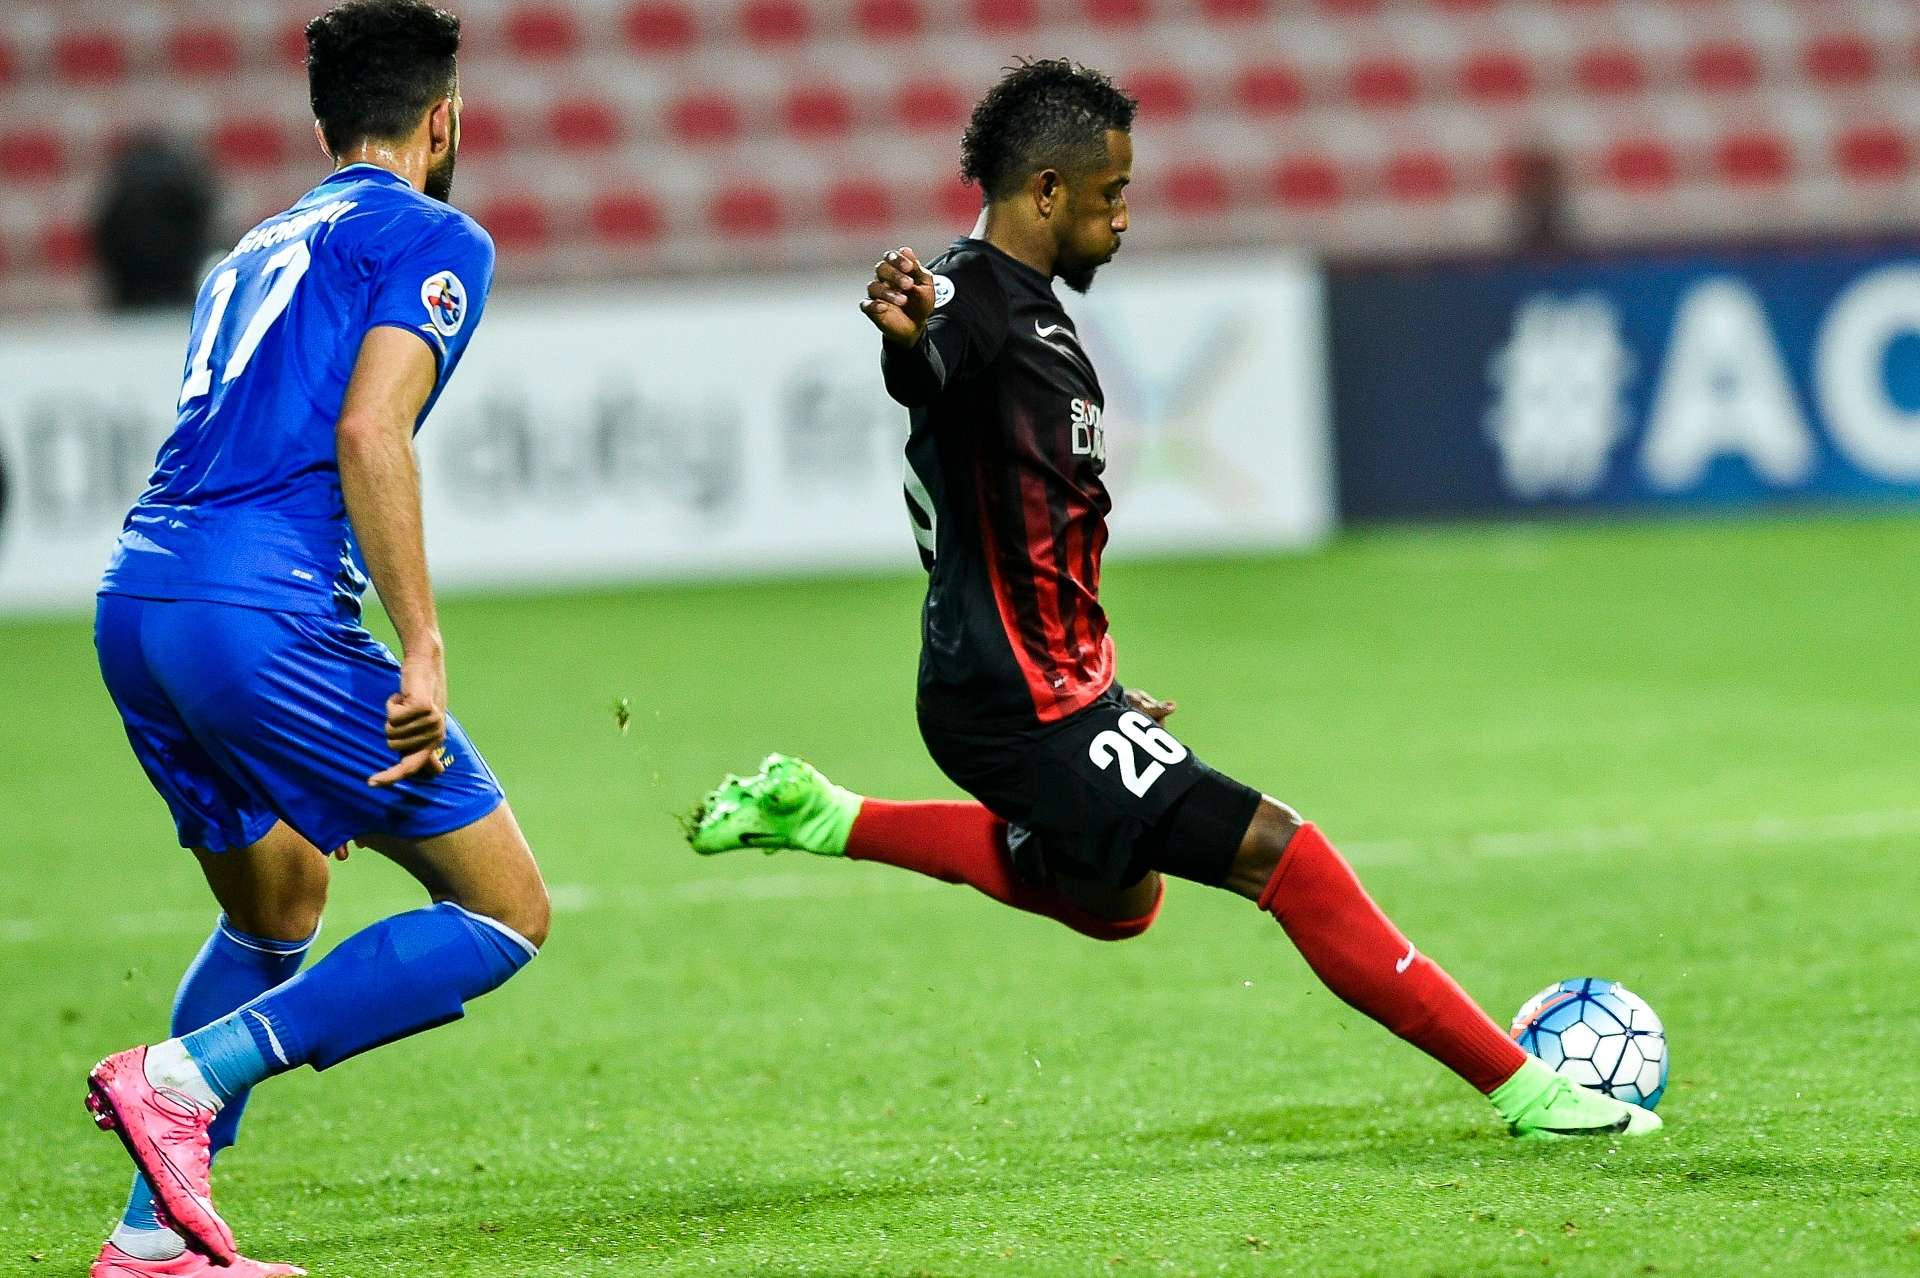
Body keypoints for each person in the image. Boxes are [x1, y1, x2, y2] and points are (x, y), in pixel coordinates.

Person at [686, 59, 1660, 1145]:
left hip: (1031, 686)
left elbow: (1031, 534)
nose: (1125, 217)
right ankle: (1531, 1092)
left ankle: (823, 813)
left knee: (1121, 904)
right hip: (1018, 703)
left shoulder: (1032, 316)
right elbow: (929, 359)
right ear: (1045, 192)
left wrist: (1098, 688)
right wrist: (906, 341)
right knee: (1284, 854)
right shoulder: (973, 301)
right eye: (1111, 195)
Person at [85, 3, 549, 1273]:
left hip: (140, 600)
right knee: (505, 912)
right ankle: (185, 1076)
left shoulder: (252, 246)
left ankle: (152, 1241)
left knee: (278, 905)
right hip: (257, 614)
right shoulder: (435, 235)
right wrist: (423, 642)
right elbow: (367, 433)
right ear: (443, 115)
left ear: (321, 121)